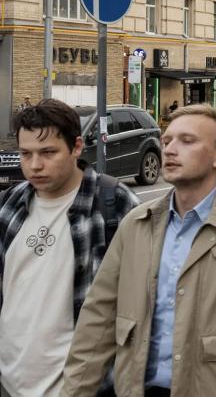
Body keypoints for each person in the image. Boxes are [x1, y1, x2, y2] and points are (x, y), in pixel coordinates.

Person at [61, 104, 216, 395]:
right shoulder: (137, 224)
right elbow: (97, 321)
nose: (170, 150)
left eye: (187, 141)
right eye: (167, 141)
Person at [0, 99, 138, 396]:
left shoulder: (114, 203)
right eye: (25, 154)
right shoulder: (10, 204)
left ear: (76, 147)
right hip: (9, 382)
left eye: (48, 152)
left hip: (80, 386)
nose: (35, 165)